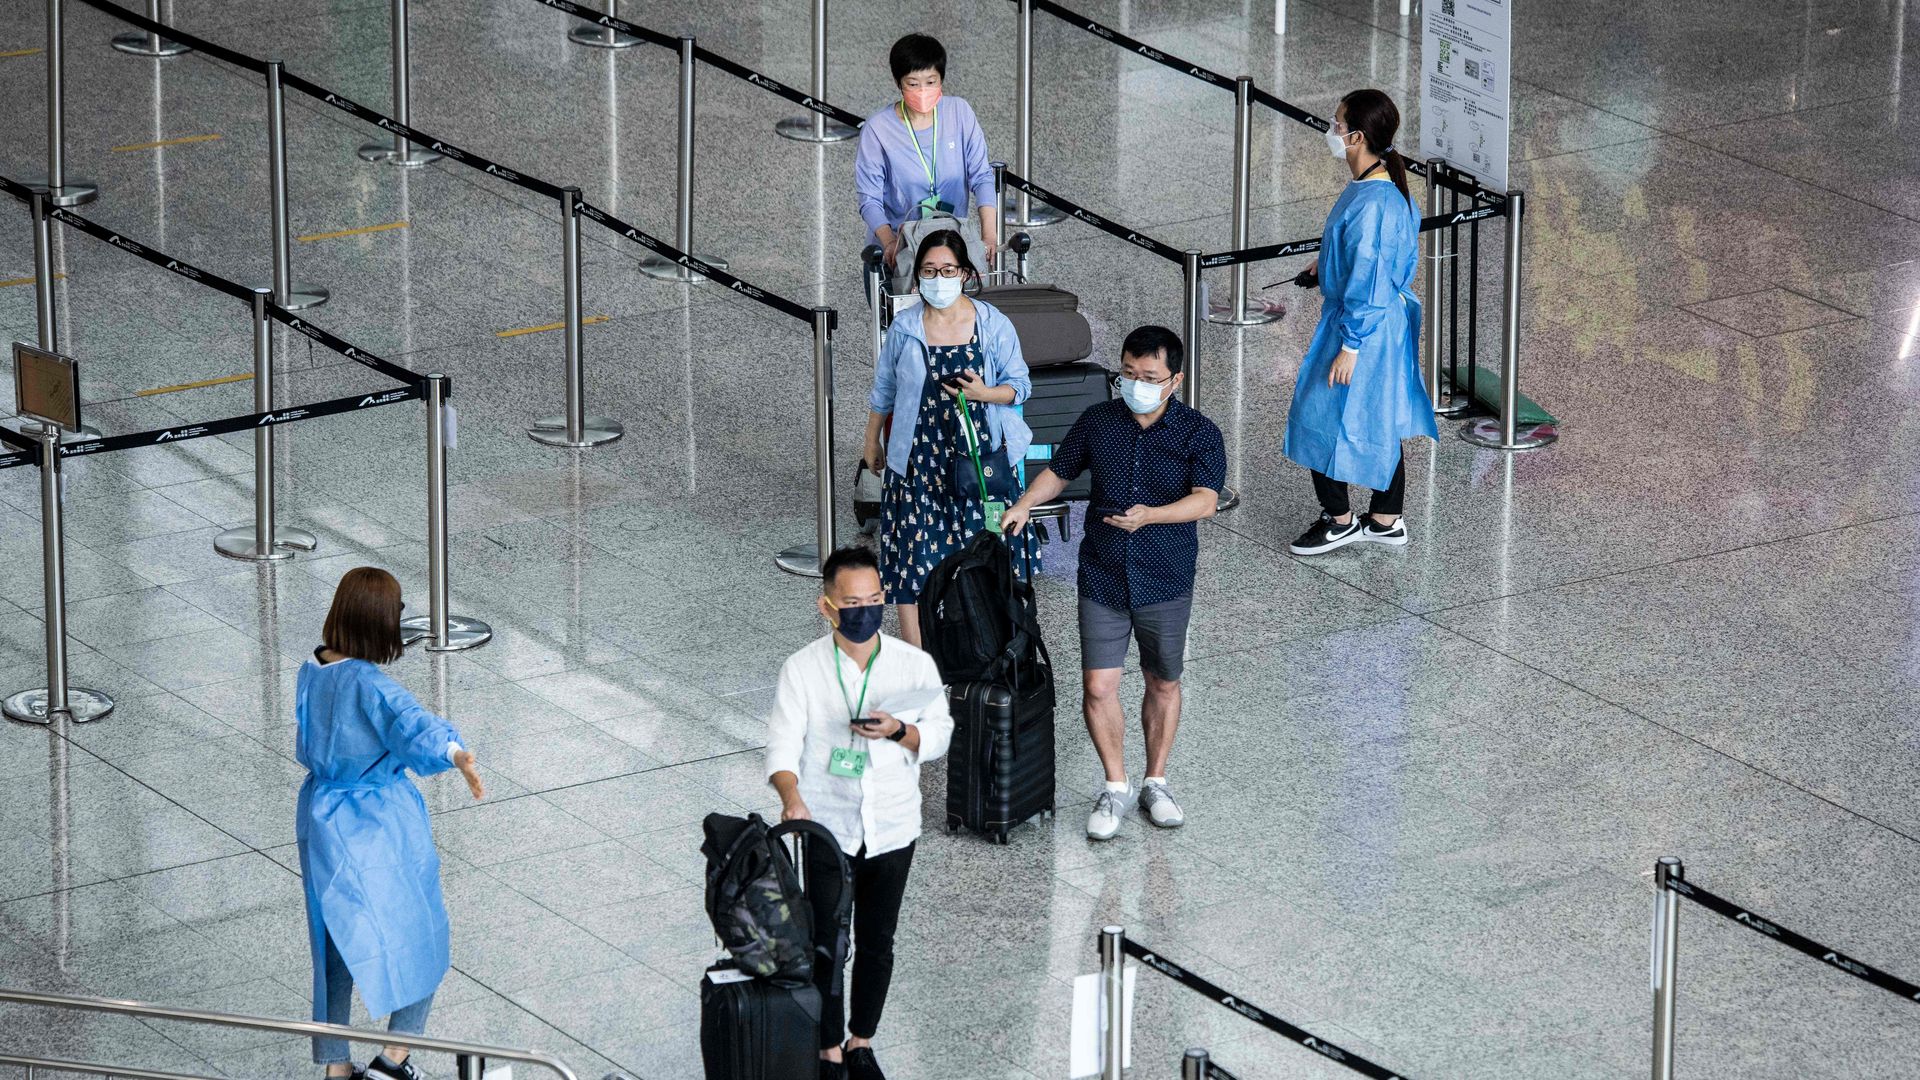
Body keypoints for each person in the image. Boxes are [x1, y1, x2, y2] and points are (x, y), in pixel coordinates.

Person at [999, 326, 1225, 841]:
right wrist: (1024, 504)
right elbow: (1060, 470)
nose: (1136, 384)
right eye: (1127, 373)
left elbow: (1206, 501)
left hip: (1165, 575)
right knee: (1099, 685)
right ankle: (1116, 784)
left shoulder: (1199, 432)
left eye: (1149, 377)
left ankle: (1156, 780)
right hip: (1101, 572)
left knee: (1162, 680)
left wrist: (1151, 516)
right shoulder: (1099, 421)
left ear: (1174, 380)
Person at [766, 546, 954, 1080]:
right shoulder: (802, 670)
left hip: (894, 826)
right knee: (827, 941)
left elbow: (939, 732)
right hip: (829, 828)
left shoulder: (913, 664)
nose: (865, 610)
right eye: (853, 602)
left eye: (874, 599)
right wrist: (792, 799)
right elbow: (781, 747)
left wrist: (900, 730)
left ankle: (860, 1041)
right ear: (827, 607)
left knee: (878, 941)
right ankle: (826, 1046)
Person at [296, 567, 484, 1080]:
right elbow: (414, 725)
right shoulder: (370, 684)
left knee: (335, 945)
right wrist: (455, 752)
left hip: (322, 819)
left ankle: (335, 1069)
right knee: (419, 936)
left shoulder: (312, 669)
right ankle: (393, 1060)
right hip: (377, 824)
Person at [1283, 88, 1438, 556]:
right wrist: (1324, 265)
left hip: (1362, 328)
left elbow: (1369, 281)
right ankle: (1386, 520)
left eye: (1336, 124)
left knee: (1319, 412)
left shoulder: (1374, 202)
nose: (1330, 131)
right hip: (1376, 324)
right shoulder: (1379, 187)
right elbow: (1366, 258)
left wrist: (1351, 346)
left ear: (1355, 137)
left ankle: (1340, 520)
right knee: (1379, 417)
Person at [863, 230, 1033, 647]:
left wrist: (982, 394)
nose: (939, 279)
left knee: (986, 554)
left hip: (978, 458)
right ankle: (919, 665)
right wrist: (871, 441)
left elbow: (1020, 386)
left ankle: (987, 648)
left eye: (948, 270)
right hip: (919, 460)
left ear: (966, 273)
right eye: (929, 271)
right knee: (913, 561)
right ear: (917, 277)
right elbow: (884, 389)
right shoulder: (905, 326)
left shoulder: (992, 323)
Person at [854, 33, 999, 286]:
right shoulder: (878, 129)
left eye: (931, 81)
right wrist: (889, 243)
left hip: (950, 253)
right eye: (913, 83)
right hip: (900, 257)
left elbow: (982, 176)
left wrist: (989, 235)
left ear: (941, 79)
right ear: (899, 83)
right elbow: (870, 199)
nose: (923, 91)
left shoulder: (959, 113)